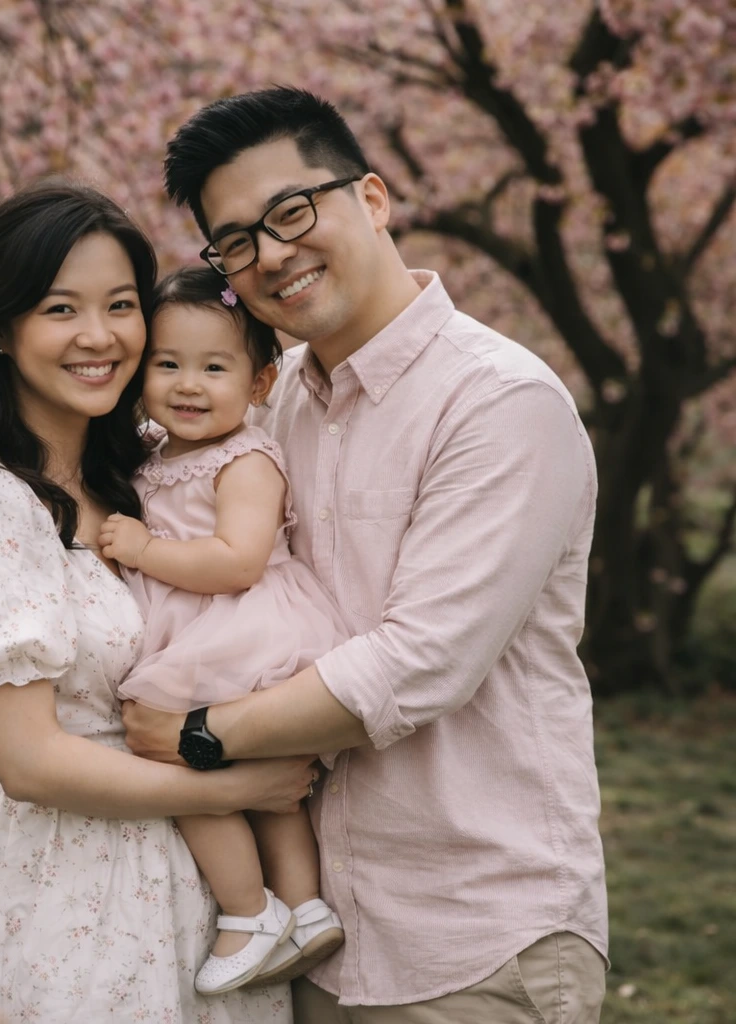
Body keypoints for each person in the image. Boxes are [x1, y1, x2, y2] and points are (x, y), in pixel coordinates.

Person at [121, 86, 609, 1023]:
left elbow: (421, 660)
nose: (272, 255)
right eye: (236, 242)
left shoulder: (499, 403)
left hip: (470, 938)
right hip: (317, 936)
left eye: (292, 211)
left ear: (374, 199)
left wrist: (196, 733)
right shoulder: (273, 406)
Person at [0, 179, 316, 1021]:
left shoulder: (143, 473)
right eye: (61, 309)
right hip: (75, 898)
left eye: (121, 305)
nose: (99, 337)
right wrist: (233, 788)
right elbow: (29, 762)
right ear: (5, 328)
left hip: (205, 905)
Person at [97, 267, 349, 995]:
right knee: (267, 791)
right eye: (168, 364)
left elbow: (238, 562)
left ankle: (250, 912)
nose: (188, 384)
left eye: (215, 367)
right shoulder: (156, 454)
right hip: (211, 629)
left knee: (182, 771)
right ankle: (305, 909)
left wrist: (146, 552)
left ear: (261, 383)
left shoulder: (245, 459)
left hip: (238, 627)